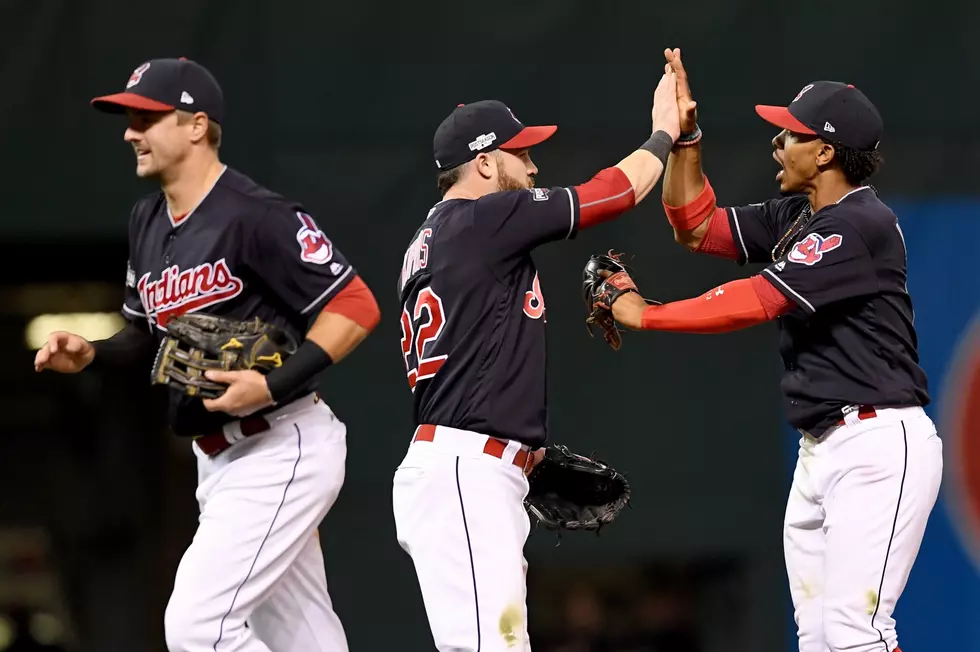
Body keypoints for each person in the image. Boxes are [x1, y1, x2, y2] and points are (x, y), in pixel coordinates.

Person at [597, 48, 942, 652]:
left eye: (792, 133)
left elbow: (756, 299)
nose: (778, 142)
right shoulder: (799, 214)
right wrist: (685, 139)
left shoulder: (859, 224)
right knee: (818, 637)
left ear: (827, 152)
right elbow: (695, 226)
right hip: (821, 450)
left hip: (878, 445)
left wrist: (647, 314)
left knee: (854, 628)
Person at [33, 57, 380, 652]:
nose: (129, 133)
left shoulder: (256, 213)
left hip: (280, 440)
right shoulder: (147, 220)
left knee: (197, 628)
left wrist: (272, 386)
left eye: (146, 117)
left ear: (196, 124)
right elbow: (145, 336)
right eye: (128, 119)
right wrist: (90, 352)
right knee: (305, 640)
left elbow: (356, 304)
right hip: (217, 459)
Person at [391, 66, 681, 651]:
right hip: (465, 472)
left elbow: (475, 362)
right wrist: (664, 133)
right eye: (521, 154)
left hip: (469, 466)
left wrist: (524, 449)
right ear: (484, 163)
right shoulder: (482, 217)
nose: (533, 167)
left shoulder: (434, 239)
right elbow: (613, 193)